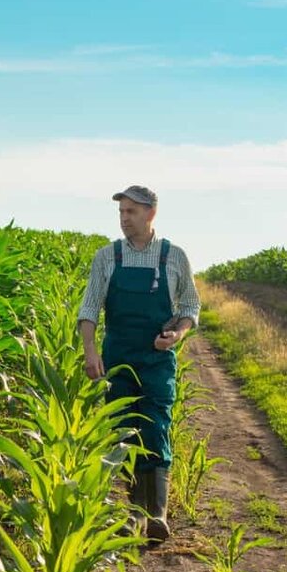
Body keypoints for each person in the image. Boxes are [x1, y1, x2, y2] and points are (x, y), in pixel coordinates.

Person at [77, 185, 200, 543]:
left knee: (156, 426)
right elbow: (89, 309)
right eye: (121, 212)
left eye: (131, 212)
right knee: (124, 431)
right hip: (118, 357)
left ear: (151, 214)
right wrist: (89, 351)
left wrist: (177, 335)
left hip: (157, 360)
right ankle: (134, 514)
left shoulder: (173, 257)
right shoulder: (107, 257)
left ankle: (157, 514)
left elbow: (190, 308)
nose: (124, 219)